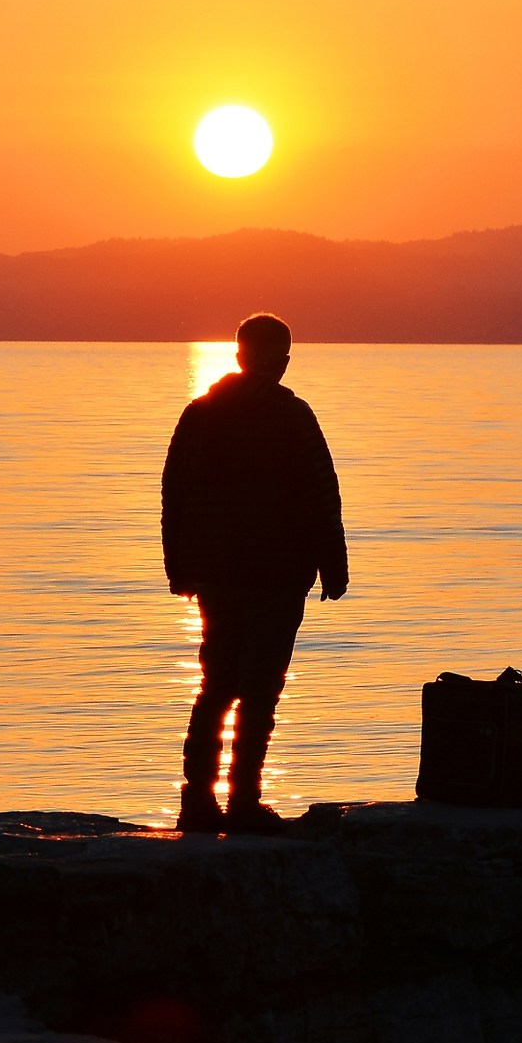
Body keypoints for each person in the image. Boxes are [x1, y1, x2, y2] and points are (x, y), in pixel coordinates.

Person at [161, 312, 348, 833]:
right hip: (275, 575)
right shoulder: (293, 417)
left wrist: (178, 566)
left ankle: (197, 803)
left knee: (216, 685)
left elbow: (173, 494)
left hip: (218, 576)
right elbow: (321, 495)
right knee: (259, 691)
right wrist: (333, 567)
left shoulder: (201, 413)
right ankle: (242, 802)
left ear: (239, 356)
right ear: (284, 363)